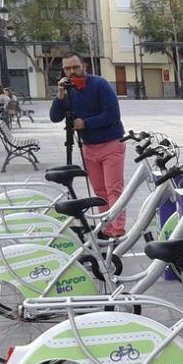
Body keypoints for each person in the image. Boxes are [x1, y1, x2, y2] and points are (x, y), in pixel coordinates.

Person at [48, 51, 127, 238]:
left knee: (113, 189)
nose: (72, 72)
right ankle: (106, 228)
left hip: (111, 143)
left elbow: (113, 114)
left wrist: (86, 123)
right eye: (67, 68)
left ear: (84, 66)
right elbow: (54, 117)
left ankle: (117, 230)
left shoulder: (100, 84)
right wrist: (60, 95)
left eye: (75, 67)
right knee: (99, 191)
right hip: (89, 146)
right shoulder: (67, 89)